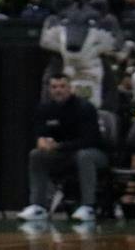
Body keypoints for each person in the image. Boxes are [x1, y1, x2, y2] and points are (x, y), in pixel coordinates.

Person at [19, 73, 108, 222]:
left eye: (62, 86)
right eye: (54, 87)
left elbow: (90, 140)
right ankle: (38, 206)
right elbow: (40, 133)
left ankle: (88, 206)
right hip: (63, 154)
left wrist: (59, 146)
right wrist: (41, 141)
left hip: (94, 154)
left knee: (84, 155)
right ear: (49, 89)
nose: (58, 90)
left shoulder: (85, 108)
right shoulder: (44, 109)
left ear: (71, 88)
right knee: (36, 155)